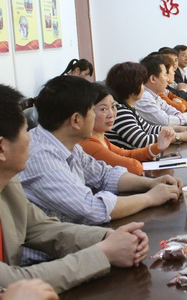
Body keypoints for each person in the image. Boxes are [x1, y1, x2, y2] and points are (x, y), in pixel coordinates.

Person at [0, 83, 149, 293]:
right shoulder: (39, 155)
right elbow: (12, 282)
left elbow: (43, 228)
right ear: (2, 148)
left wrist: (107, 238)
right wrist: (103, 253)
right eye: (25, 131)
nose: (30, 138)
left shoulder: (8, 184)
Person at [19, 76, 182, 229]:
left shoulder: (68, 144)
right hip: (58, 245)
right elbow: (92, 208)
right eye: (93, 110)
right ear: (76, 120)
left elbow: (105, 175)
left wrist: (152, 183)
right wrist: (150, 198)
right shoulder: (42, 156)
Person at [79, 84, 175, 175]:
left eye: (113, 106)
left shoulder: (102, 139)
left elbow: (128, 154)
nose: (111, 114)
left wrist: (158, 147)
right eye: (103, 109)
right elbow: (133, 167)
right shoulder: (89, 144)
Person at [104, 62, 187, 150]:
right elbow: (143, 140)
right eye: (141, 84)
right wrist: (179, 136)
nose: (143, 88)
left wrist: (180, 129)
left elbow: (149, 129)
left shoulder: (129, 108)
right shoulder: (120, 111)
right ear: (131, 86)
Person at [134, 55, 187, 126]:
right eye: (165, 75)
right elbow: (165, 122)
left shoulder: (154, 95)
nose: (167, 79)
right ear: (153, 79)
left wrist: (179, 115)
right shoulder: (143, 98)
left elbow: (168, 109)